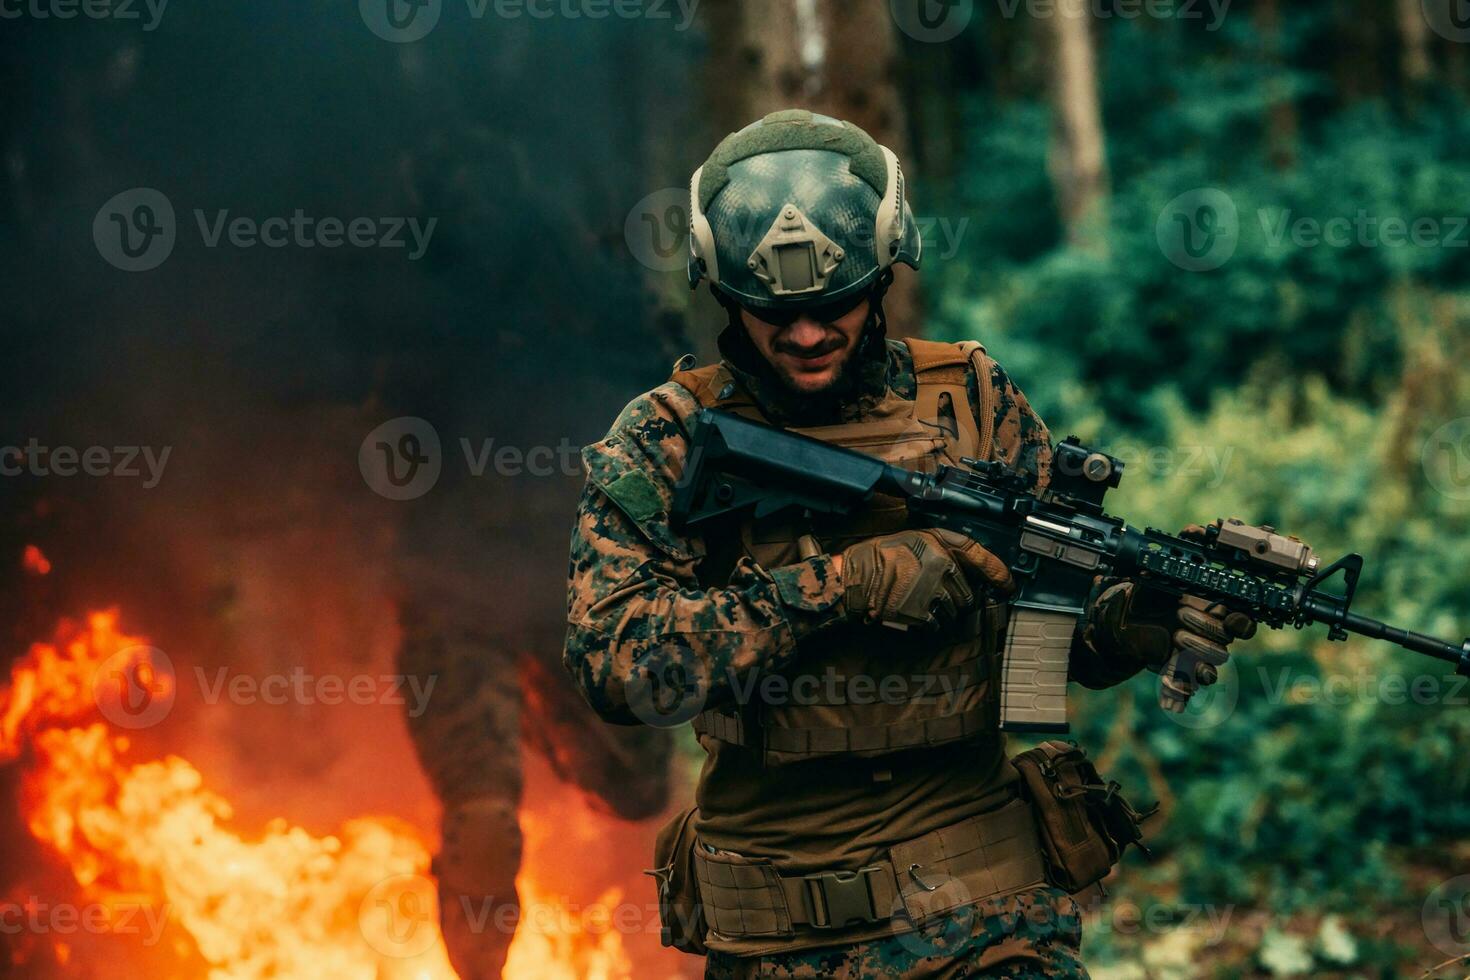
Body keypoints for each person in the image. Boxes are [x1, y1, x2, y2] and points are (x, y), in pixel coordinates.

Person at [562, 109, 1254, 979]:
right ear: (725, 297)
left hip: (981, 906)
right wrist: (845, 585)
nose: (807, 336)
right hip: (775, 931)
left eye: (831, 305)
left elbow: (1043, 648)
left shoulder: (970, 398)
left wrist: (1137, 621)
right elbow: (616, 666)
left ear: (884, 276)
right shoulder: (667, 439)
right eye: (774, 313)